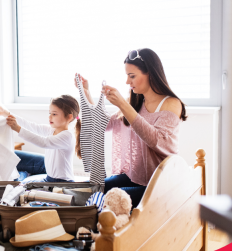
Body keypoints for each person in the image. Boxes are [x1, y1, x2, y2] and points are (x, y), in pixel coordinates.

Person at [76, 48, 187, 207]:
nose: (127, 82)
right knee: (93, 187)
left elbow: (154, 139)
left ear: (150, 73)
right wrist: (86, 92)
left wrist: (122, 103)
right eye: (127, 76)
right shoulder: (136, 102)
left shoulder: (171, 104)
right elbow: (106, 124)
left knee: (110, 199)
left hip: (161, 182)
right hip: (136, 177)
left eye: (132, 76)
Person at [0, 95, 81, 182]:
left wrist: (17, 128)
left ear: (69, 117)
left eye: (54, 114)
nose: (49, 117)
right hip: (50, 179)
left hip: (63, 183)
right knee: (25, 185)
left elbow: (44, 143)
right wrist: (5, 113)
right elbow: (30, 125)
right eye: (49, 113)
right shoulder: (51, 130)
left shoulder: (67, 136)